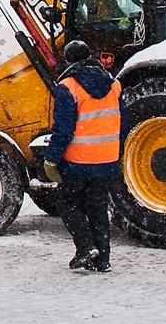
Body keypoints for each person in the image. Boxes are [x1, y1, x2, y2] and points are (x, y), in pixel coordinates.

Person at [42, 39, 121, 273]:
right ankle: (103, 259)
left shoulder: (68, 86)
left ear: (68, 60)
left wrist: (52, 158)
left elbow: (63, 128)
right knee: (97, 207)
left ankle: (85, 247)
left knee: (67, 203)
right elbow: (121, 121)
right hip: (107, 158)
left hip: (79, 160)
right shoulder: (114, 84)